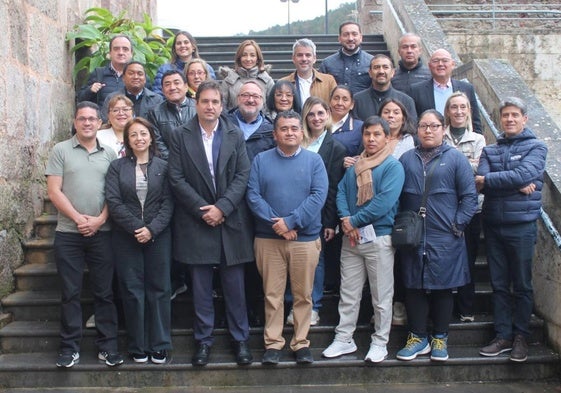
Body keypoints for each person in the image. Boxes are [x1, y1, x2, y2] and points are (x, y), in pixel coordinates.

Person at [168, 80, 254, 367]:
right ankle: (203, 341)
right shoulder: (180, 135)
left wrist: (223, 208)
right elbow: (176, 178)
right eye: (205, 101)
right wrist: (202, 209)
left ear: (221, 104)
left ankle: (240, 339)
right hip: (196, 220)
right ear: (196, 103)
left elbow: (243, 174)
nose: (210, 106)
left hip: (230, 221)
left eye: (215, 102)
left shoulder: (234, 133)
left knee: (235, 287)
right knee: (201, 288)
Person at [247, 110, 328, 365]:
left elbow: (318, 196)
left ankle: (301, 343)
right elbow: (253, 195)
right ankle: (273, 343)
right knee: (272, 294)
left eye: (294, 128)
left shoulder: (314, 161)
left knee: (303, 295)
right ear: (275, 134)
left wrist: (291, 222)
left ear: (301, 132)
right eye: (284, 129)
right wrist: (279, 225)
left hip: (304, 239)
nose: (290, 133)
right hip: (268, 239)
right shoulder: (261, 160)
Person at [46, 101, 123, 368]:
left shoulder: (110, 153)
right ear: (75, 122)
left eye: (92, 118)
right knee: (70, 292)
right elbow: (54, 191)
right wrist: (79, 219)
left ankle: (108, 346)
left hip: (103, 233)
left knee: (104, 292)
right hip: (68, 233)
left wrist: (101, 219)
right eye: (82, 119)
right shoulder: (61, 150)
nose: (87, 123)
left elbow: (115, 193)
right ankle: (69, 348)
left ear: (100, 122)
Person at [396, 109, 477, 362]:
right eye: (423, 126)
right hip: (412, 234)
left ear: (443, 129)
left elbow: (469, 197)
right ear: (417, 130)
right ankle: (417, 336)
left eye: (433, 126)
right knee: (413, 284)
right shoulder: (407, 158)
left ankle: (440, 336)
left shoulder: (455, 159)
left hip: (445, 235)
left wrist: (458, 224)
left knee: (443, 287)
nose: (428, 131)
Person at [322, 116, 404, 363]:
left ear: (387, 137)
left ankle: (380, 342)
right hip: (352, 240)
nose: (371, 139)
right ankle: (344, 338)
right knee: (348, 293)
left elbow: (384, 203)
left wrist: (353, 221)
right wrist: (346, 219)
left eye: (377, 134)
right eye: (367, 134)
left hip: (379, 239)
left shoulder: (393, 167)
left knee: (381, 296)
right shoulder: (357, 165)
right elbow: (341, 193)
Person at [477, 97, 547, 363]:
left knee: (522, 284)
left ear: (524, 118)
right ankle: (502, 335)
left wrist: (498, 180)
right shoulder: (490, 150)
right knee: (498, 284)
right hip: (493, 224)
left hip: (522, 226)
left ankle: (521, 336)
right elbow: (479, 181)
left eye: (515, 115)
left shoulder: (537, 146)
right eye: (505, 115)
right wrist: (515, 182)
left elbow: (523, 175)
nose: (509, 119)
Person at [105, 117, 174, 364]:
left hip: (159, 236)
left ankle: (160, 344)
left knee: (159, 289)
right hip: (126, 236)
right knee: (132, 290)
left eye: (143, 133)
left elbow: (169, 202)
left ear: (151, 137)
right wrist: (137, 227)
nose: (139, 138)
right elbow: (113, 201)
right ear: (127, 140)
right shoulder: (117, 167)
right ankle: (137, 344)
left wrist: (152, 229)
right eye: (133, 135)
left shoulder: (164, 166)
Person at [284, 97, 346, 327]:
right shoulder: (296, 142)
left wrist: (329, 221)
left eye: (321, 113)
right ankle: (292, 303)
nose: (316, 118)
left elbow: (333, 187)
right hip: (291, 211)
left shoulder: (336, 147)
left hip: (318, 215)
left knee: (315, 262)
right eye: (311, 114)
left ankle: (314, 306)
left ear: (327, 115)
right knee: (291, 259)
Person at [442, 92, 486, 323]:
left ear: (469, 111)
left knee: (468, 258)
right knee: (447, 257)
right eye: (454, 107)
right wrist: (465, 165)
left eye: (463, 107)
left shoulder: (478, 139)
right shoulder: (440, 136)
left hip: (471, 209)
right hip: (444, 208)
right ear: (447, 111)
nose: (459, 111)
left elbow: (480, 172)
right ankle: (445, 307)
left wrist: (449, 164)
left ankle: (466, 308)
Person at [378, 97, 417, 327]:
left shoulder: (412, 141)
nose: (391, 116)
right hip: (379, 208)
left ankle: (399, 304)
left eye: (396, 112)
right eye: (386, 112)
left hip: (404, 205)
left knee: (401, 257)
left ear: (404, 117)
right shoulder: (373, 139)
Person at [409, 48, 482, 134]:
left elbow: (475, 121)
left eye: (445, 61)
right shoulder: (416, 90)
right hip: (429, 140)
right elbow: (412, 123)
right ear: (429, 65)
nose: (440, 64)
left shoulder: (466, 88)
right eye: (436, 61)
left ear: (453, 64)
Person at [352, 54, 417, 124]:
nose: (381, 71)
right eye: (376, 67)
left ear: (393, 72)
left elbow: (411, 129)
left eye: (385, 67)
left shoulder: (406, 101)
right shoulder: (357, 100)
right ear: (370, 73)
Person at [148, 70, 196, 160]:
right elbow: (158, 143)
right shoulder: (155, 112)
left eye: (176, 83)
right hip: (169, 165)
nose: (172, 87)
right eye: (167, 84)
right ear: (162, 90)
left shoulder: (198, 108)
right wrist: (174, 162)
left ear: (186, 87)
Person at [153, 31, 215, 97]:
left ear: (193, 47)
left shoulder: (207, 68)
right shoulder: (164, 69)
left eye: (186, 42)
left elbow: (212, 91)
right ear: (175, 48)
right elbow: (158, 94)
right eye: (179, 43)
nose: (182, 45)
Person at [280, 38, 337, 110]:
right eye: (300, 55)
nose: (304, 59)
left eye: (308, 55)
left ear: (314, 58)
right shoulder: (284, 83)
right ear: (293, 58)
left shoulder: (328, 81)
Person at [77, 35, 133, 106]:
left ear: (131, 53)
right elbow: (80, 99)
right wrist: (90, 90)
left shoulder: (138, 77)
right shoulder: (98, 74)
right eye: (116, 49)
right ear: (110, 53)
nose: (121, 53)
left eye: (125, 49)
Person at [219, 40, 274, 112]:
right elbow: (221, 108)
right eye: (244, 55)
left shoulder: (267, 81)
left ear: (258, 59)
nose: (248, 59)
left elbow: (273, 109)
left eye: (252, 55)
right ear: (239, 58)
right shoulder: (228, 81)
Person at [319, 22, 373, 94]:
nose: (350, 38)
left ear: (361, 38)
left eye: (354, 34)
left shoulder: (372, 62)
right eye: (346, 35)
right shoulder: (327, 63)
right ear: (339, 38)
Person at [227, 80, 275, 162]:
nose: (250, 100)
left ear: (262, 101)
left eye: (255, 96)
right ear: (238, 99)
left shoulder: (271, 131)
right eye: (246, 95)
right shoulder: (224, 124)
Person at [329, 85, 363, 157]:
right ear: (329, 101)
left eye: (345, 100)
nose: (340, 103)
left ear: (352, 105)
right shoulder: (319, 122)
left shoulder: (360, 128)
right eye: (336, 98)